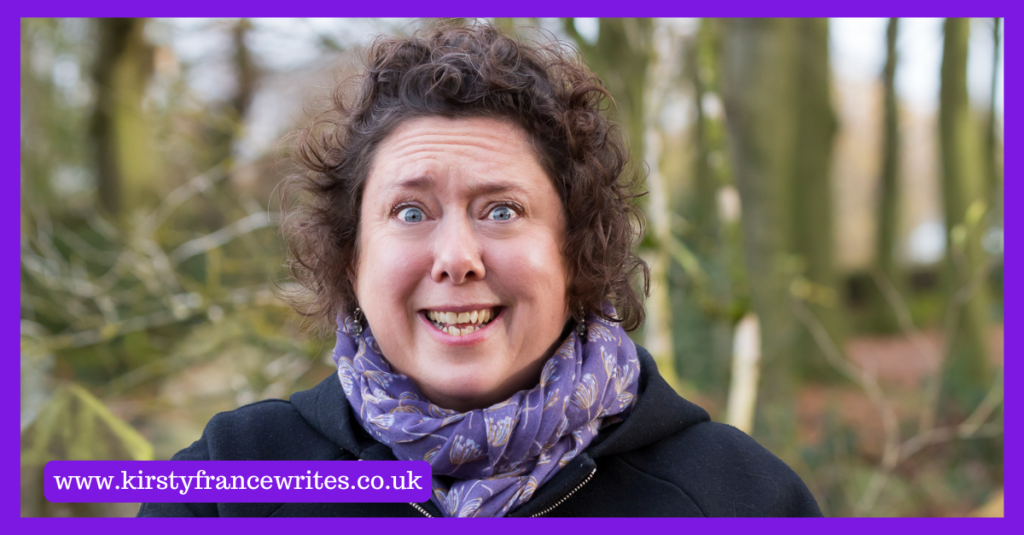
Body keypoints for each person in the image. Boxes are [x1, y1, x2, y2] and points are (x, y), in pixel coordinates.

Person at [138, 23, 822, 518]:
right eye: (410, 212)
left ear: (573, 249)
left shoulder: (741, 497)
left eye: (501, 210)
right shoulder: (231, 482)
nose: (457, 256)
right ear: (352, 258)